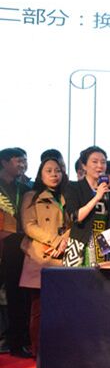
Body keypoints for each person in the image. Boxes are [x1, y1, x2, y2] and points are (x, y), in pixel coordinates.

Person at [19, 157, 70, 357]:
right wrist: (54, 241)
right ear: (40, 174)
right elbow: (29, 226)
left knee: (63, 306)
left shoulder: (67, 195)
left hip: (64, 254)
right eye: (48, 171)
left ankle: (59, 349)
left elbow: (75, 223)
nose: (54, 174)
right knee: (39, 308)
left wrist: (64, 241)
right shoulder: (31, 196)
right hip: (40, 254)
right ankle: (38, 351)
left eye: (57, 170)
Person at [63, 146, 110, 267]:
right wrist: (97, 196)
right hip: (81, 245)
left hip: (103, 246)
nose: (100, 166)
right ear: (84, 166)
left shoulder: (108, 192)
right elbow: (76, 217)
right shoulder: (74, 187)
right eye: (95, 162)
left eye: (103, 162)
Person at [0, 147, 32, 357]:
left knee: (17, 295)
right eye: (18, 161)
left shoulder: (25, 188)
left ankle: (17, 342)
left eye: (24, 161)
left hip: (17, 246)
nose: (22, 164)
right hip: (3, 243)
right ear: (4, 163)